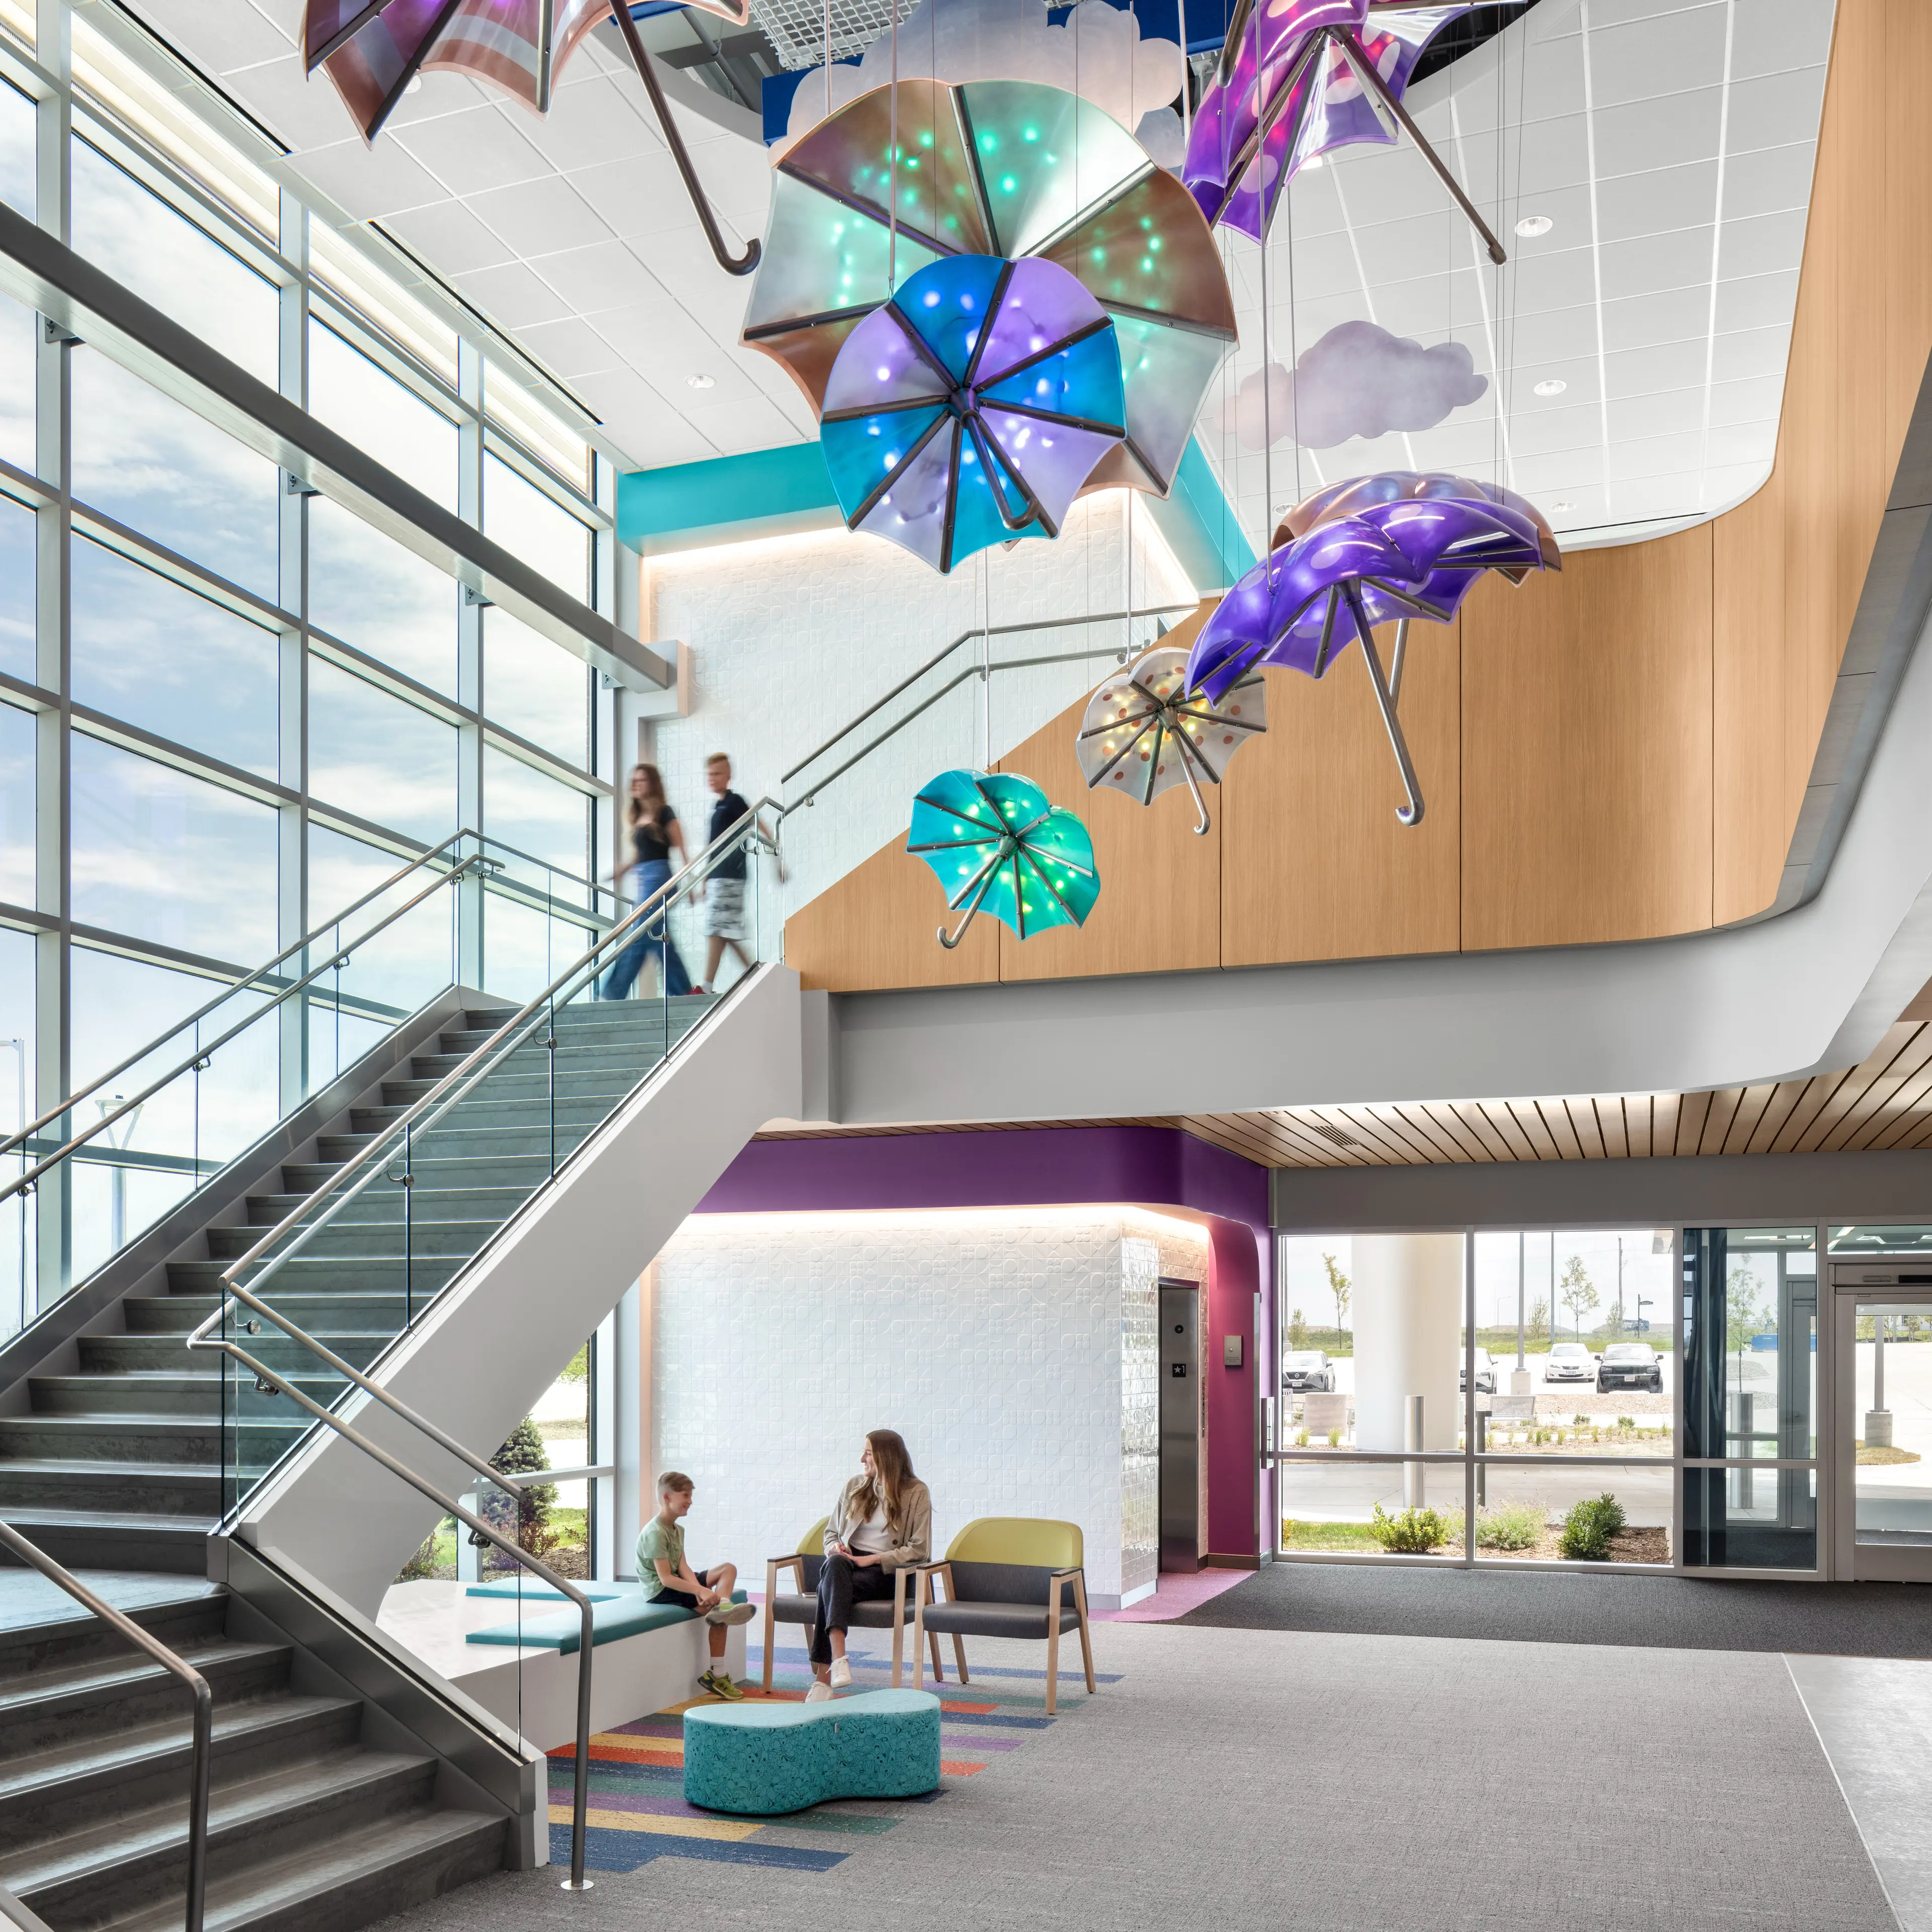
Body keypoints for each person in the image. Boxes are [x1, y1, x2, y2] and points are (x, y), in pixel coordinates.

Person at [807, 1429, 931, 1702]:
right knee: (836, 1564)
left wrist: (873, 1559)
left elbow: (920, 1548)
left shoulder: (916, 1492)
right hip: (846, 1564)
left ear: (886, 1457)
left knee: (828, 1591)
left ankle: (822, 1680)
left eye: (868, 1453)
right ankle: (839, 1660)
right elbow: (830, 1534)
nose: (862, 1458)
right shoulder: (854, 1486)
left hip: (885, 1571)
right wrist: (834, 1547)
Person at [635, 1470, 754, 1701]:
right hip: (660, 1592)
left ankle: (724, 1605)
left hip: (675, 1581)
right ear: (668, 1497)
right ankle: (717, 1675)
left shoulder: (677, 1530)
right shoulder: (655, 1533)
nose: (690, 1501)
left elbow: (684, 1567)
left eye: (690, 1496)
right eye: (685, 1496)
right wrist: (700, 1591)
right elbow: (666, 1579)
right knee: (717, 1615)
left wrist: (703, 1592)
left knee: (728, 1569)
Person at [598, 764, 691, 1001]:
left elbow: (682, 847)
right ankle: (682, 991)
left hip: (660, 878)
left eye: (642, 780)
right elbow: (640, 855)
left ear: (652, 783)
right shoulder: (637, 817)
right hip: (644, 879)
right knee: (659, 941)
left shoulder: (664, 812)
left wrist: (690, 881)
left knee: (640, 935)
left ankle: (613, 991)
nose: (636, 784)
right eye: (635, 780)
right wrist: (620, 871)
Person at [692, 754, 782, 994]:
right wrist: (705, 878)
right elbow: (713, 847)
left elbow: (758, 821)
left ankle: (708, 985)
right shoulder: (719, 805)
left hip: (730, 875)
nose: (713, 778)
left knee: (717, 930)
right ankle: (757, 977)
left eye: (718, 773)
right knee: (725, 933)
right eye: (710, 774)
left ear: (729, 776)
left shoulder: (735, 802)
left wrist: (775, 851)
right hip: (718, 874)